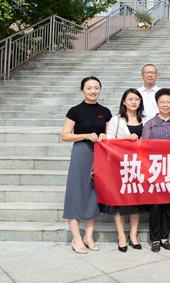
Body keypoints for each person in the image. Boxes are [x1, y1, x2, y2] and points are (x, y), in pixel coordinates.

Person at [61, 76, 112, 254]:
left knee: (93, 192)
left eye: (96, 88)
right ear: (82, 90)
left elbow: (109, 134)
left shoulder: (105, 111)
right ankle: (76, 238)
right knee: (76, 191)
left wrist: (105, 136)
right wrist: (85, 135)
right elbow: (65, 135)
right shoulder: (75, 111)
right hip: (81, 152)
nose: (93, 91)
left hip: (99, 154)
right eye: (89, 88)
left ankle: (88, 237)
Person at [141, 88, 170, 253]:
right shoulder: (150, 124)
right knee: (155, 206)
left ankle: (165, 237)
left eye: (168, 102)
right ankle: (155, 239)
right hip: (155, 170)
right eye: (162, 102)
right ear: (157, 103)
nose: (165, 105)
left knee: (168, 206)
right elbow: (144, 148)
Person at [105, 89, 146, 252]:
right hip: (119, 165)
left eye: (137, 99)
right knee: (119, 202)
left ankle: (133, 235)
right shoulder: (115, 120)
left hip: (138, 165)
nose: (134, 102)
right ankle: (121, 235)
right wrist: (125, 138)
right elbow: (107, 141)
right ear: (123, 101)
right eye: (130, 99)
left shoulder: (145, 119)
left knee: (135, 201)